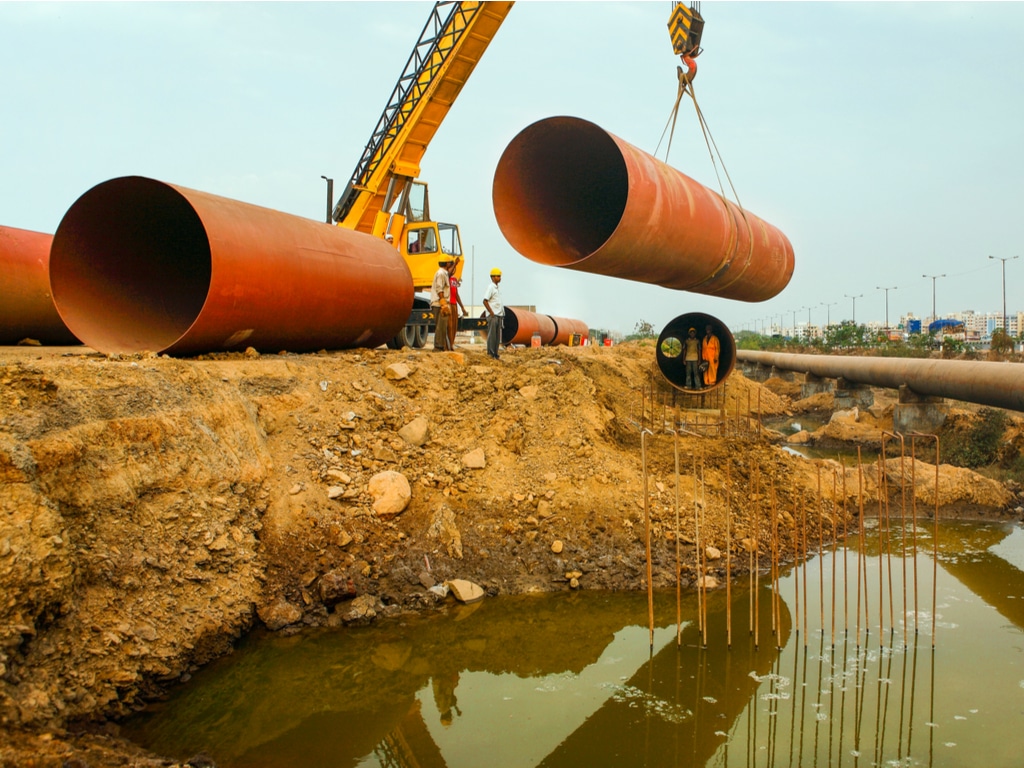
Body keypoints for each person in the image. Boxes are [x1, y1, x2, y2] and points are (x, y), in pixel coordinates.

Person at [430, 257, 452, 351]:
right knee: (440, 326)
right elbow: (440, 288)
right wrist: (443, 302)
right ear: (446, 263)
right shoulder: (441, 274)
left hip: (440, 303)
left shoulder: (443, 273)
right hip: (439, 304)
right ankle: (438, 347)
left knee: (442, 326)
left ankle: (441, 346)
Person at [482, 268, 504, 360]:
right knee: (492, 335)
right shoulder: (491, 287)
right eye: (498, 276)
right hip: (493, 315)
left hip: (498, 315)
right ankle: (491, 353)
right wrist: (491, 312)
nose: (500, 278)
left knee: (497, 336)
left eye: (500, 276)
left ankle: (495, 353)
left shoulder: (497, 288)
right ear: (493, 277)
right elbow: (485, 301)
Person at [447, 259, 467, 349]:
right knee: (449, 326)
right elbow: (448, 273)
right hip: (448, 304)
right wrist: (455, 264)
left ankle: (451, 343)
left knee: (454, 326)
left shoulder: (454, 279)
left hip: (454, 304)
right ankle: (447, 345)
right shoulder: (445, 277)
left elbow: (456, 294)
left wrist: (462, 307)